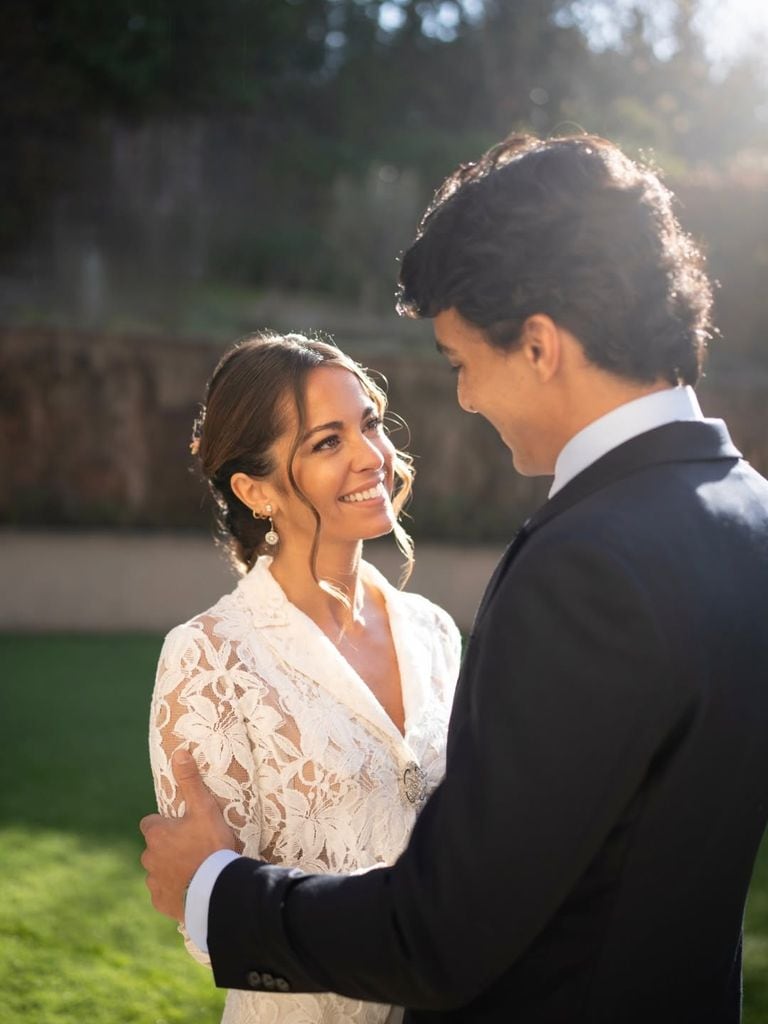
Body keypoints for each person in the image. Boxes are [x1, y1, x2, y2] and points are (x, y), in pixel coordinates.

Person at [141, 135, 768, 1023]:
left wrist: (215, 892)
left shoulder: (584, 567)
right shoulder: (753, 520)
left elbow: (444, 933)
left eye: (463, 362)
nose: (465, 399)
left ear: (540, 345)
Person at [147, 332, 461, 1024]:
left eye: (369, 424)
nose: (370, 457)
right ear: (254, 489)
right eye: (327, 442)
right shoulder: (210, 657)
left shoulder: (435, 633)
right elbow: (205, 914)